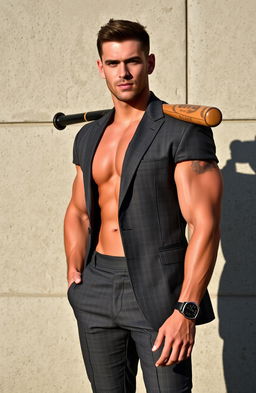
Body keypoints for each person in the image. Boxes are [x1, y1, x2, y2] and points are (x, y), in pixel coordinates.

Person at [64, 18, 223, 393]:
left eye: (133, 61)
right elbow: (78, 210)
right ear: (100, 67)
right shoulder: (89, 135)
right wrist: (75, 269)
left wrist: (186, 309)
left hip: (157, 292)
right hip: (97, 286)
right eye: (114, 63)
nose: (124, 72)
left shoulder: (183, 131)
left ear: (149, 63)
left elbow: (205, 224)